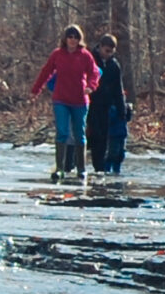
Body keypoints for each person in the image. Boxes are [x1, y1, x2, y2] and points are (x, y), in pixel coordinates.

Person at [31, 25, 101, 182]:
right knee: (62, 132)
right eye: (70, 37)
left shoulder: (85, 55)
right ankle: (60, 168)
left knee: (79, 133)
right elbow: (46, 71)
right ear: (65, 38)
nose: (73, 40)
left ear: (79, 39)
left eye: (76, 37)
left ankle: (81, 169)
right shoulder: (57, 54)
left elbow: (95, 72)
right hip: (61, 99)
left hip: (80, 100)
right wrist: (36, 89)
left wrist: (91, 86)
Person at [87, 34, 131, 175]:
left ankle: (99, 167)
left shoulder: (114, 65)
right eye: (106, 51)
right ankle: (89, 163)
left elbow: (118, 89)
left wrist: (121, 109)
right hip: (91, 104)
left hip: (106, 106)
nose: (108, 54)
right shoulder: (90, 60)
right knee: (94, 135)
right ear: (100, 47)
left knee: (104, 138)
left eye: (111, 52)